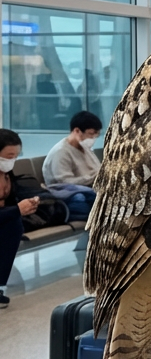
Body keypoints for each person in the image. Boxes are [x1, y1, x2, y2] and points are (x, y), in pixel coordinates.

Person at [0, 129, 41, 308]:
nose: (12, 160)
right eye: (9, 156)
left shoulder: (7, 173)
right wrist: (17, 210)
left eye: (16, 156)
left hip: (6, 220)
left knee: (14, 224)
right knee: (13, 223)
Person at [41, 110, 103, 221]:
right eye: (91, 134)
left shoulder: (85, 148)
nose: (93, 138)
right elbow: (64, 182)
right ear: (77, 131)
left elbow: (97, 169)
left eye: (96, 135)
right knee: (84, 198)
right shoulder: (60, 152)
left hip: (88, 188)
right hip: (65, 193)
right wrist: (94, 177)